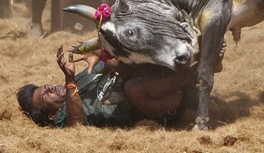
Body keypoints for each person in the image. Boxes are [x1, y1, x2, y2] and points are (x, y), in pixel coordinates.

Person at [17, 45, 187, 128]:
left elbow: (111, 64)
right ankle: (195, 73)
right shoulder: (62, 119)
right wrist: (69, 79)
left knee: (129, 51)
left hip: (150, 80)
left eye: (45, 86)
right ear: (52, 114)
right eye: (45, 95)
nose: (49, 88)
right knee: (132, 88)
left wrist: (100, 53)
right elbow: (77, 125)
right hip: (154, 104)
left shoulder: (79, 80)